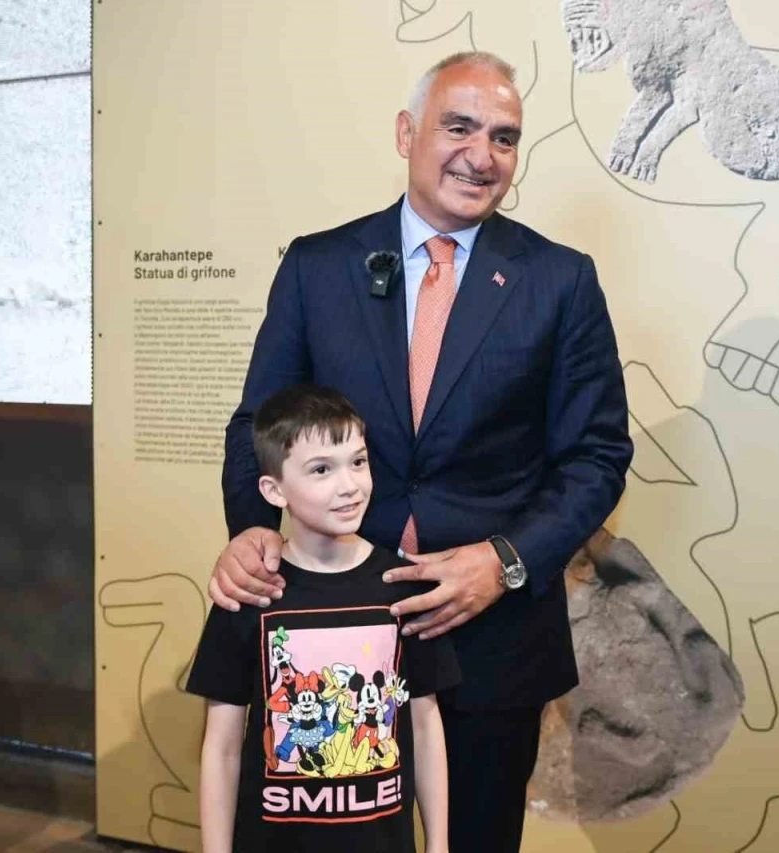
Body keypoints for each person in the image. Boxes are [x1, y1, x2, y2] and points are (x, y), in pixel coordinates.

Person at [211, 51, 633, 852]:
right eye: (459, 127)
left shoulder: (560, 281)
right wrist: (253, 531)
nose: (482, 155)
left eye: (504, 137)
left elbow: (597, 456)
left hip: (490, 642)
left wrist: (504, 561)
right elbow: (257, 426)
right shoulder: (317, 267)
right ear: (408, 133)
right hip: (328, 627)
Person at [187, 383, 460, 853]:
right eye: (321, 469)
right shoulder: (250, 593)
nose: (349, 485)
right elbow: (221, 747)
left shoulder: (405, 586)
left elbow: (425, 724)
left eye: (358, 461)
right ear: (274, 490)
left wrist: (438, 844)